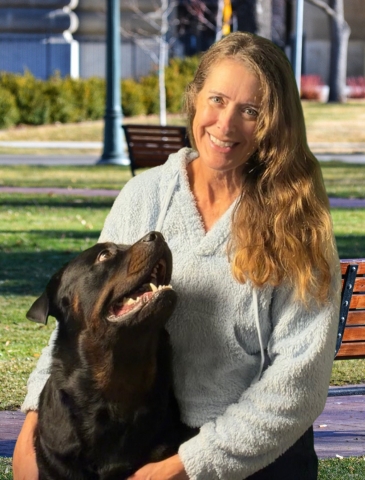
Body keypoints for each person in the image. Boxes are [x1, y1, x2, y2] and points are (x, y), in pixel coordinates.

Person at [13, 32, 341, 480]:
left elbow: (299, 381)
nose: (226, 125)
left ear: (274, 122)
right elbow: (85, 314)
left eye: (251, 111)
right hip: (148, 442)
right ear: (194, 98)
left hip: (260, 457)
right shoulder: (145, 196)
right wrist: (33, 420)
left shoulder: (297, 219)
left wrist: (188, 466)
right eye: (217, 100)